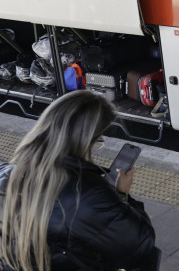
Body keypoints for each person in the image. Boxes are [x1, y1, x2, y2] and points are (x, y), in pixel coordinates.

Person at [0, 91, 159, 271]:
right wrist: (122, 194)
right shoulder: (86, 191)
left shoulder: (7, 173)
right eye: (98, 139)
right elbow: (140, 244)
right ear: (85, 140)